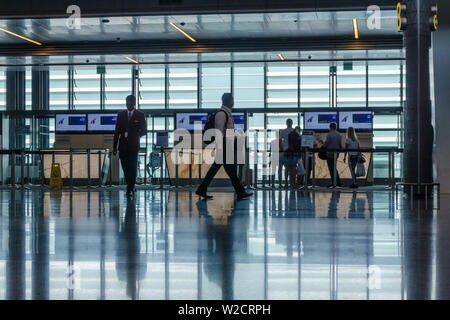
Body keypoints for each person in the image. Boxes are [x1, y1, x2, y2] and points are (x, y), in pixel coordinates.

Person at [195, 93, 253, 201]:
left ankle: (202, 189)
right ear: (229, 101)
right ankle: (240, 192)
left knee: (226, 170)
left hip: (226, 145)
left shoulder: (226, 113)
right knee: (229, 170)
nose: (233, 102)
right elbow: (219, 132)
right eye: (232, 100)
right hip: (224, 146)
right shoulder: (222, 114)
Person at [113, 95, 147, 197]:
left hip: (133, 146)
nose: (128, 104)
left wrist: (135, 136)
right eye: (127, 102)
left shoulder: (140, 115)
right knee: (125, 167)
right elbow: (117, 132)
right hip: (122, 146)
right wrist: (114, 146)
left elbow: (144, 130)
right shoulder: (121, 114)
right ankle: (130, 185)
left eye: (130, 102)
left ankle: (130, 188)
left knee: (132, 167)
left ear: (134, 103)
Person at [323, 122, 342, 188]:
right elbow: (340, 145)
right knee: (334, 168)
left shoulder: (329, 135)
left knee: (331, 169)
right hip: (336, 153)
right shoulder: (339, 135)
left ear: (330, 127)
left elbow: (326, 144)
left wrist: (322, 144)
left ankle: (334, 183)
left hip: (329, 154)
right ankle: (338, 182)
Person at [279, 119, 294, 188]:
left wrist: (282, 149)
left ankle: (286, 183)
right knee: (292, 168)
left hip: (285, 151)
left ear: (286, 123)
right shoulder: (294, 131)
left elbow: (279, 141)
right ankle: (292, 183)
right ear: (292, 123)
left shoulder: (283, 131)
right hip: (293, 151)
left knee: (286, 168)